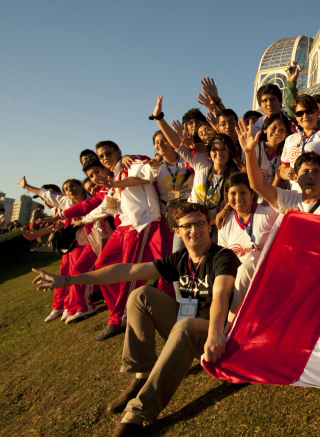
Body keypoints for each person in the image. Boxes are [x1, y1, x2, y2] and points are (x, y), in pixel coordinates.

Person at [31, 202, 239, 436]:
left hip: (218, 334)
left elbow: (221, 293)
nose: (195, 230)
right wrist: (68, 280)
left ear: (209, 226)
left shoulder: (222, 257)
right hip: (186, 328)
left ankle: (138, 412)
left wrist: (214, 334)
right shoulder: (180, 258)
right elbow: (127, 271)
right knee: (140, 296)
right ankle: (142, 375)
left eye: (200, 223)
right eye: (187, 225)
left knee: (186, 326)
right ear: (177, 231)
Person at [58, 142, 163, 340]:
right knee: (101, 266)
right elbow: (107, 208)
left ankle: (120, 317)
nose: (105, 158)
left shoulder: (131, 164)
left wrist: (154, 162)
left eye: (108, 153)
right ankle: (124, 309)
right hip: (122, 227)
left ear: (119, 152)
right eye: (102, 156)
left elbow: (149, 173)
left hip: (140, 224)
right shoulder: (112, 177)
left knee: (130, 273)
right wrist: (81, 221)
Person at [20, 177, 104, 323]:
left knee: (79, 271)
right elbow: (48, 199)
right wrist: (27, 187)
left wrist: (27, 186)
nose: (69, 191)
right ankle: (68, 306)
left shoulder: (94, 200)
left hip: (95, 241)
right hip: (75, 243)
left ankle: (81, 306)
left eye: (72, 187)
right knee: (69, 272)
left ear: (81, 186)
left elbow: (48, 197)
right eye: (66, 189)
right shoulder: (66, 203)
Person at [154, 96, 241, 228]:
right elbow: (177, 144)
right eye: (214, 149)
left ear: (230, 151)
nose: (219, 153)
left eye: (224, 149)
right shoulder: (202, 163)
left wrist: (223, 211)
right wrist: (159, 118)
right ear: (209, 151)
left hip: (215, 224)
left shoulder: (233, 173)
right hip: (188, 220)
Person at [238, 119, 320, 218]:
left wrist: (298, 217)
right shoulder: (287, 199)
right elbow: (257, 185)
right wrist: (249, 152)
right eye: (305, 171)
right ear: (295, 177)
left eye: (316, 171)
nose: (311, 176)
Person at [216, 172, 278, 318]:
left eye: (243, 192)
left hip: (265, 272)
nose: (238, 198)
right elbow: (223, 257)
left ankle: (232, 323)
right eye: (233, 193)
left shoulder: (269, 214)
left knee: (247, 267)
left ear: (252, 193)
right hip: (236, 277)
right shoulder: (225, 222)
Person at [280, 94, 320, 198]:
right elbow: (283, 169)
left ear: (317, 112)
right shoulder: (290, 139)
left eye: (309, 111)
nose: (305, 116)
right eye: (300, 113)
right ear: (295, 116)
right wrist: (285, 174)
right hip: (297, 197)